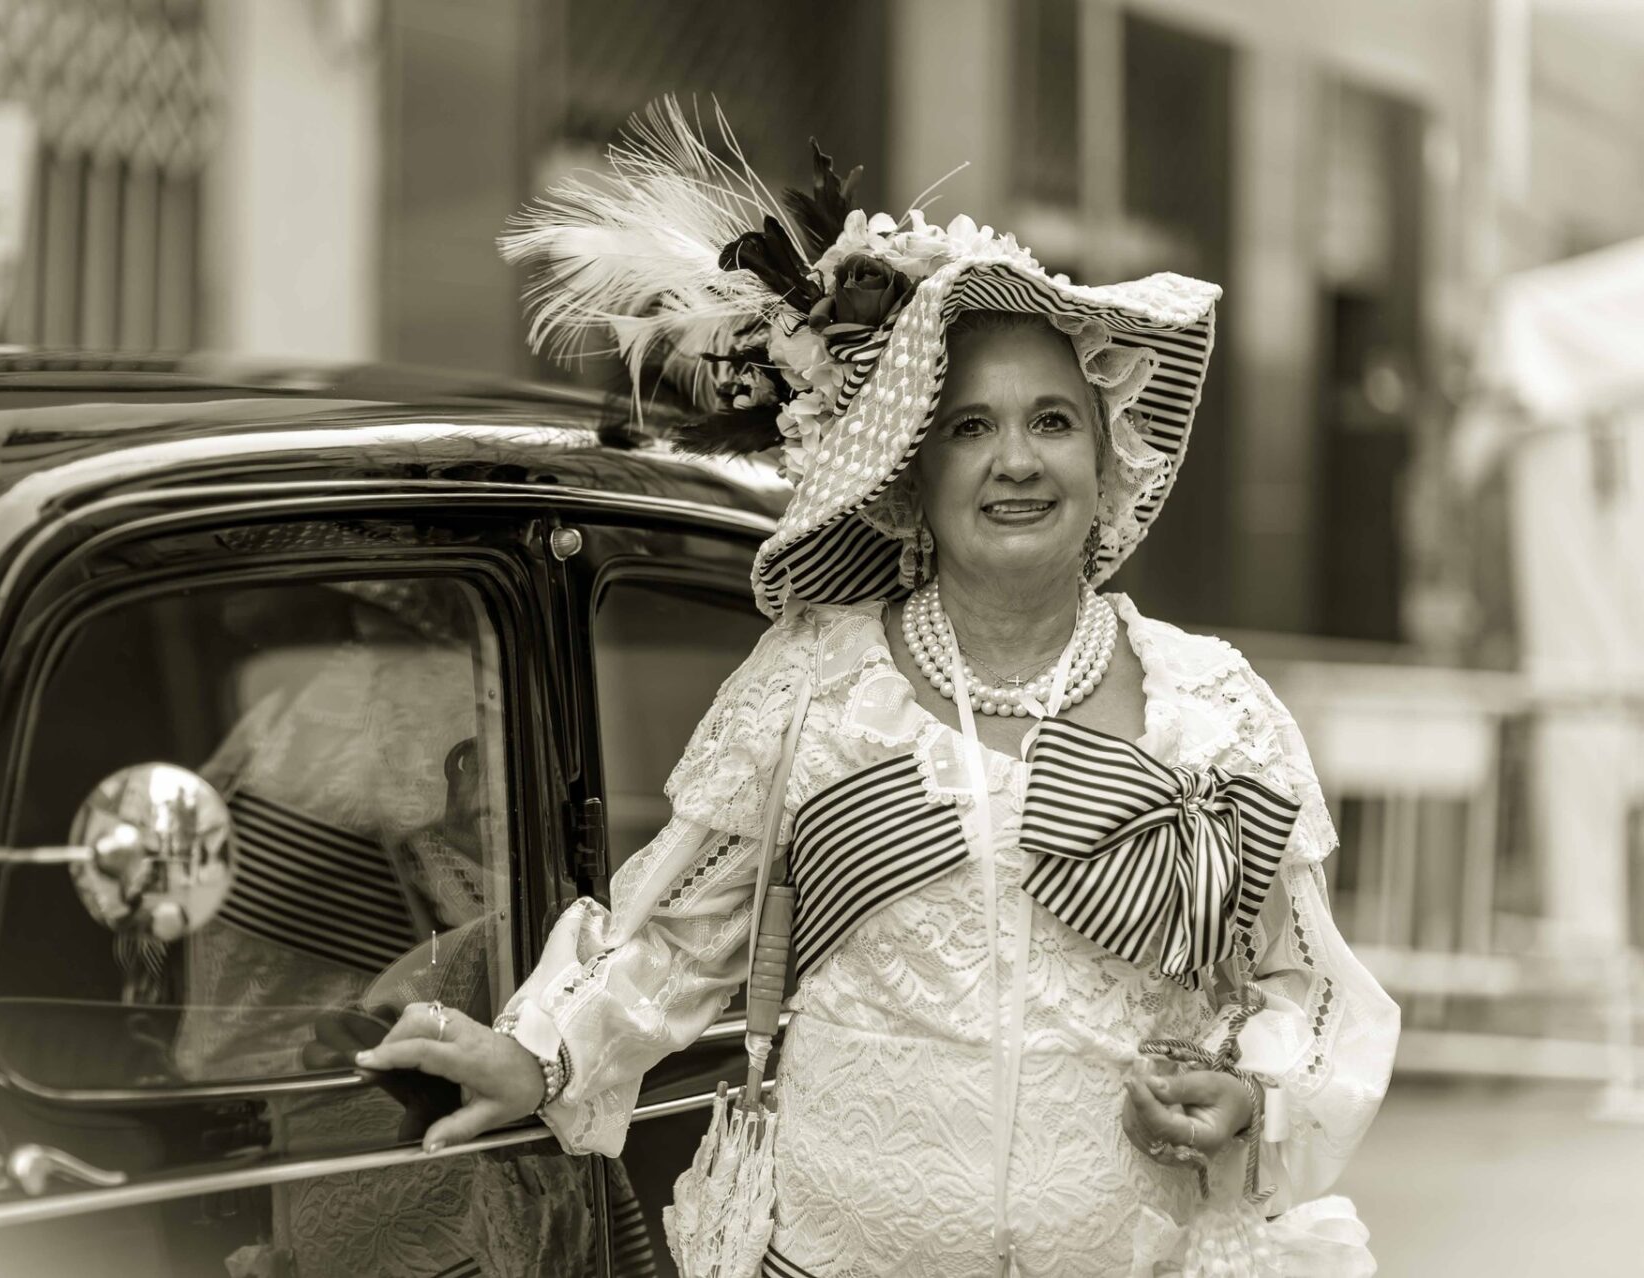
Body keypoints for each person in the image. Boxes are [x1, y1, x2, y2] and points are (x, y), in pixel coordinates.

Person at [361, 101, 1400, 1277]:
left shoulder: (1213, 708)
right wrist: (537, 1054)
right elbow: (679, 936)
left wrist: (1252, 1094)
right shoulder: (816, 678)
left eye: (1053, 421)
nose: (1017, 459)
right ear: (912, 477)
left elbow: (1306, 985)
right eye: (971, 427)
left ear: (1108, 459)